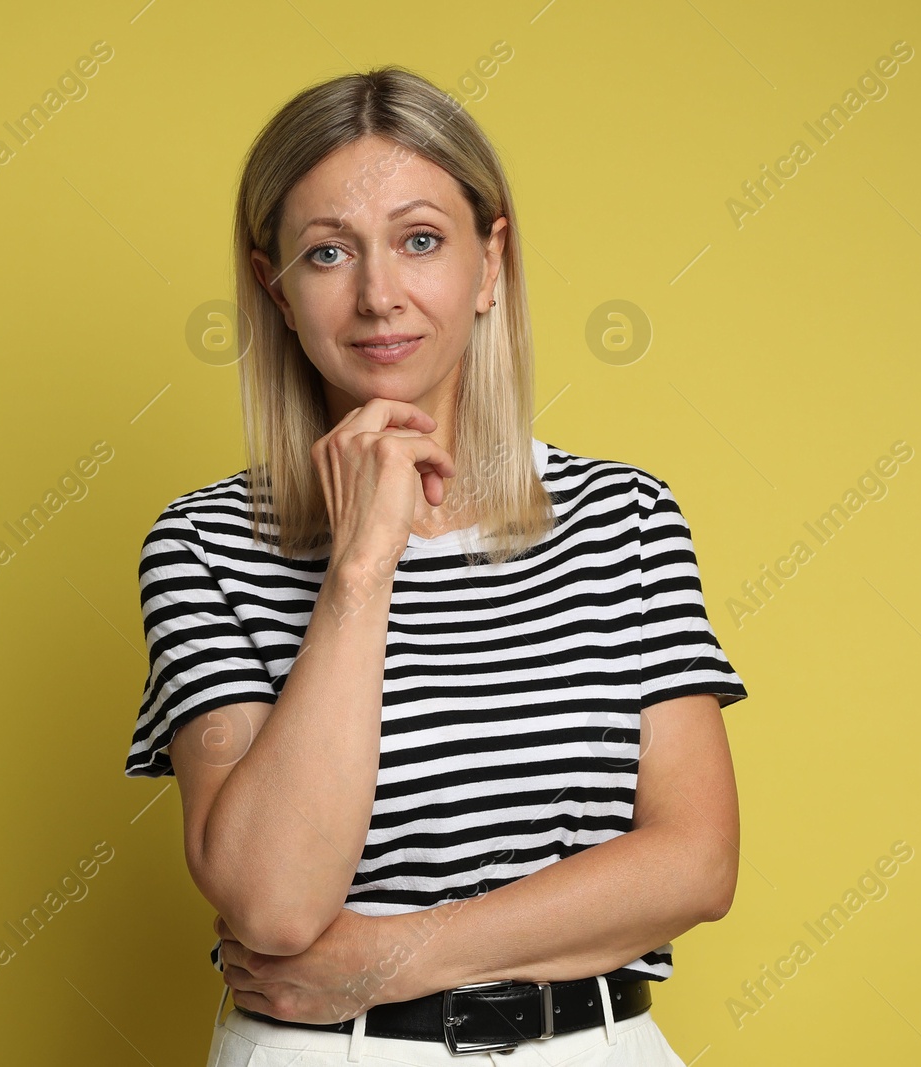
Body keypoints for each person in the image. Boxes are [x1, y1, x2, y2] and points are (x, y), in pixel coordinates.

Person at [125, 65, 748, 1066]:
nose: (379, 297)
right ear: (272, 287)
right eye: (327, 253)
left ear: (489, 261)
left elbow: (694, 864)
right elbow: (275, 901)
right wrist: (361, 569)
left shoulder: (622, 516)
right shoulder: (203, 544)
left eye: (420, 240)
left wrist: (392, 955)